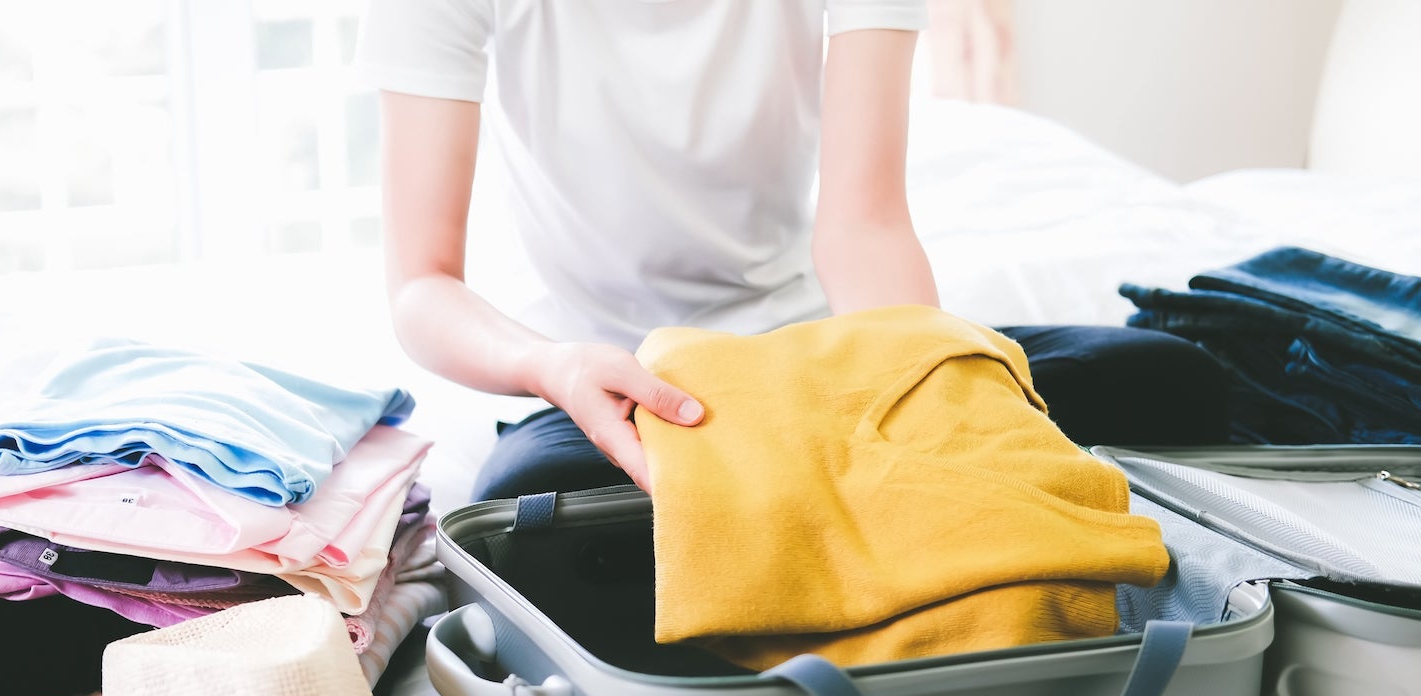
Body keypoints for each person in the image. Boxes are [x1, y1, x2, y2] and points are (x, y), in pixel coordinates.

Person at [352, 0, 1227, 502]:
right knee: (524, 503)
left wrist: (918, 386)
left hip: (814, 353)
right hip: (608, 380)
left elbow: (863, 224)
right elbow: (423, 284)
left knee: (1169, 380)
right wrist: (550, 365)